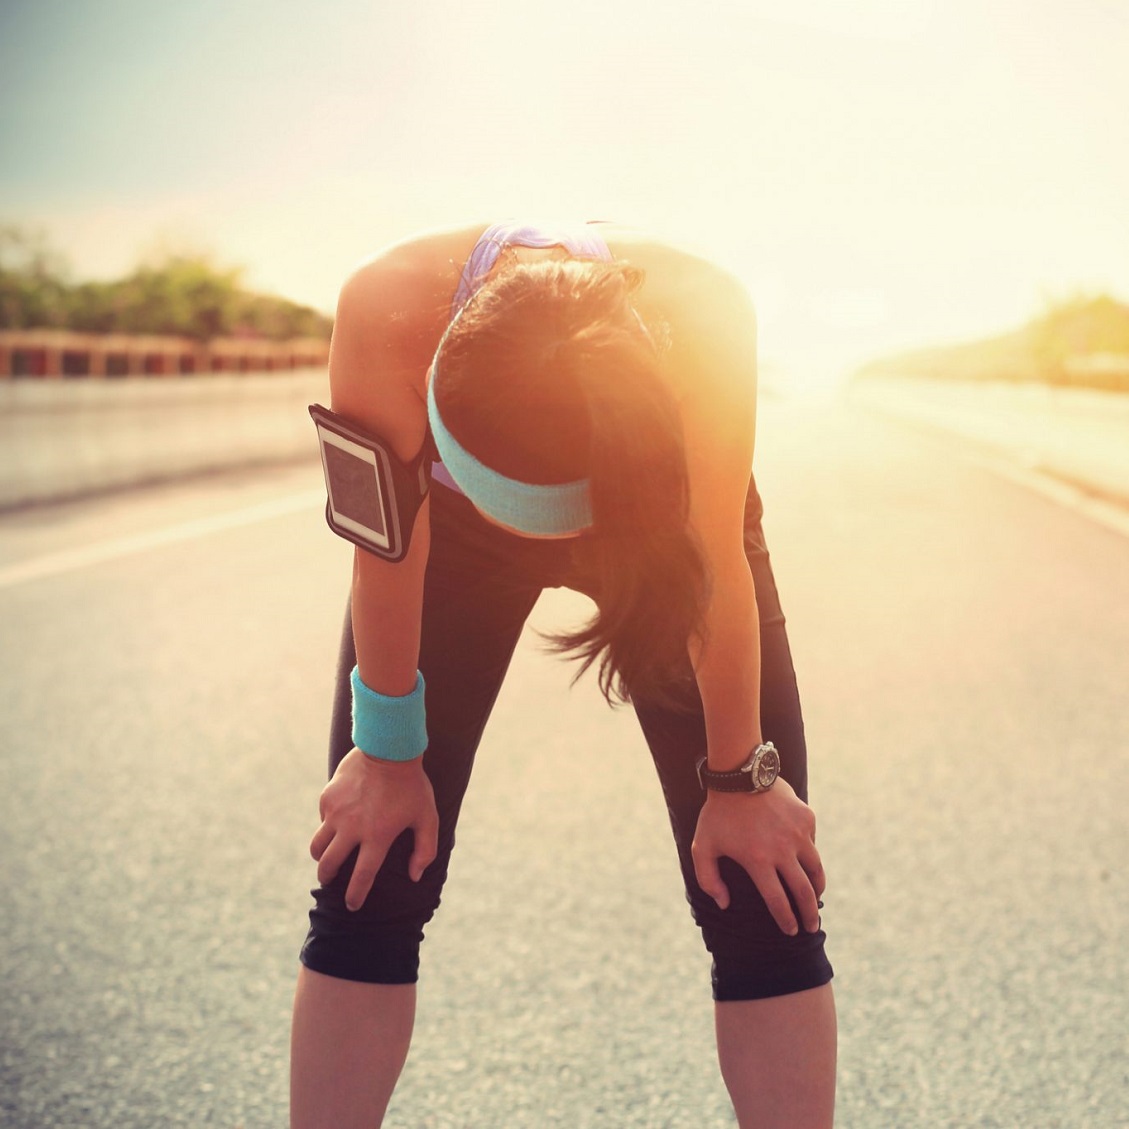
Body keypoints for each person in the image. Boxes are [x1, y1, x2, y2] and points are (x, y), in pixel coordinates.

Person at [290, 220, 836, 1129]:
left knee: (761, 883)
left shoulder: (701, 319)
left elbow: (712, 562)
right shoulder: (388, 311)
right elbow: (384, 546)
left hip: (653, 519)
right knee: (370, 865)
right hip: (448, 534)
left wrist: (742, 779)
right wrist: (384, 756)